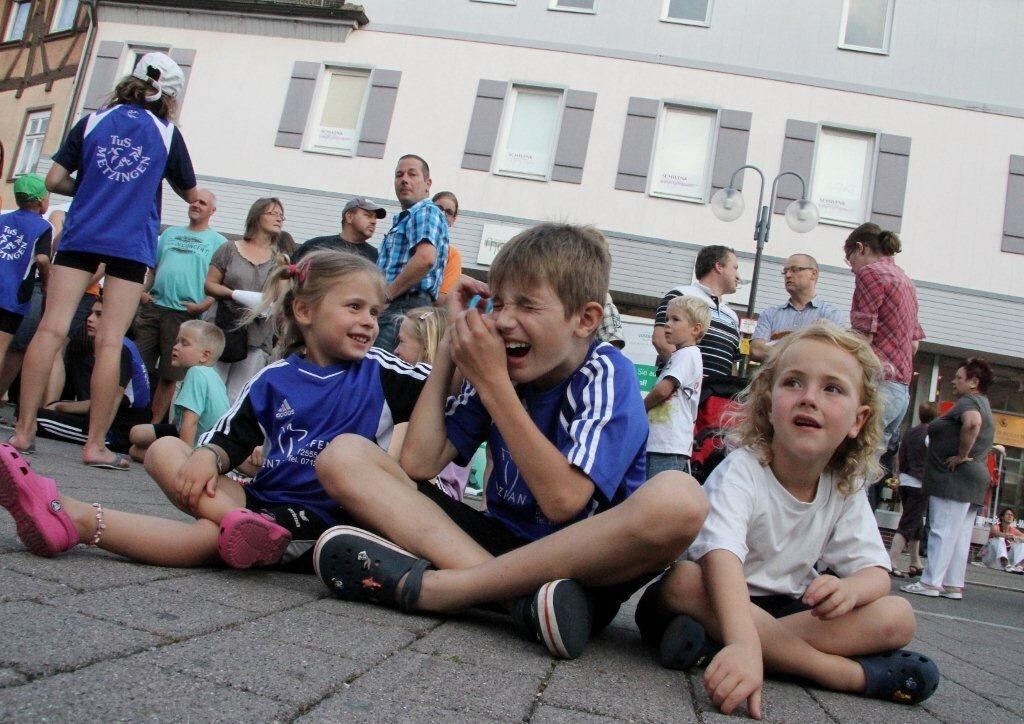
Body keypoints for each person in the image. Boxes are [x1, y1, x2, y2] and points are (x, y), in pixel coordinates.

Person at [312, 223, 708, 661]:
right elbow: (420, 463)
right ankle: (520, 604)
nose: (502, 319)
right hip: (509, 554)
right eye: (498, 302)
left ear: (585, 319)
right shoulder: (500, 369)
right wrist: (450, 345)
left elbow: (565, 501)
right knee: (343, 455)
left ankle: (447, 589)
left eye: (527, 304)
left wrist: (493, 383)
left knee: (681, 498)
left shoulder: (605, 371)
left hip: (586, 563)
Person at [0, 250, 431, 575]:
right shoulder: (274, 377)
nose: (370, 322)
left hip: (323, 518)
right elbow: (229, 438)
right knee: (165, 450)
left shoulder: (382, 372)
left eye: (375, 312)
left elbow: (439, 387)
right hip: (259, 500)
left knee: (205, 538)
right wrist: (209, 457)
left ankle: (73, 517)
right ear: (304, 311)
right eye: (354, 307)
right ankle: (241, 529)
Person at [633, 322, 939, 716]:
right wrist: (744, 639)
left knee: (897, 616)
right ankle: (837, 673)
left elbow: (876, 572)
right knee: (682, 581)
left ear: (858, 420)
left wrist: (851, 591)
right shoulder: (744, 468)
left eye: (832, 388)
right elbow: (720, 556)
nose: (809, 398)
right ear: (768, 404)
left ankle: (718, 650)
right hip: (714, 595)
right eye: (793, 383)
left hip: (781, 609)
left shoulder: (842, 488)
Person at [8, 52, 198, 470]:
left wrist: (90, 188)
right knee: (111, 340)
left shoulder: (93, 120)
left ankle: (22, 432)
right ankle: (94, 446)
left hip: (83, 234)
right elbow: (191, 192)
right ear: (170, 97)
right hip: (131, 242)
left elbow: (54, 179)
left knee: (52, 328)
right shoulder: (167, 133)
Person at [903, 358, 996, 600]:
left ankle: (931, 582)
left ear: (974, 382)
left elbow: (972, 423)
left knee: (942, 529)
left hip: (953, 477)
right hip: (972, 478)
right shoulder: (983, 402)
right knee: (960, 534)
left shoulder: (969, 401)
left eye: (958, 378)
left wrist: (961, 455)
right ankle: (953, 584)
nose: (954, 382)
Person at [133, 189, 225, 423]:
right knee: (136, 365)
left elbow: (220, 281)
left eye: (202, 203)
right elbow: (153, 268)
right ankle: (128, 419)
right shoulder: (169, 234)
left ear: (212, 211)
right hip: (154, 307)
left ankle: (152, 426)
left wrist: (203, 304)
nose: (196, 205)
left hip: (184, 314)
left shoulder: (218, 242)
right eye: (193, 201)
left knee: (169, 374)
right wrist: (142, 292)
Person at [34, 297, 151, 456]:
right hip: (114, 423)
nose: (89, 319)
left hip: (116, 431)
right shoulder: (122, 344)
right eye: (91, 313)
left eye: (98, 315)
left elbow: (114, 398)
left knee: (35, 418)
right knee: (46, 410)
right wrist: (59, 405)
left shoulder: (121, 349)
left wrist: (98, 439)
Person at [844, 224, 924, 454]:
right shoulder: (906, 281)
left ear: (860, 248)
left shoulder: (871, 273)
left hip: (878, 386)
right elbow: (914, 345)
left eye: (849, 259)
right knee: (867, 469)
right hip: (901, 393)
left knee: (844, 461)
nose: (852, 268)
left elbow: (862, 336)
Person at [205, 197, 287, 403]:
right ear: (256, 216)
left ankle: (225, 435)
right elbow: (210, 284)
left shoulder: (280, 259)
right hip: (223, 328)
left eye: (281, 215)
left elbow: (281, 299)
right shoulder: (229, 249)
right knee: (210, 390)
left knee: (238, 396)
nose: (279, 218)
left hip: (257, 335)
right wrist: (234, 294)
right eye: (272, 213)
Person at [391, 306, 473, 501]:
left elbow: (395, 459)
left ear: (426, 346)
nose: (394, 351)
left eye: (401, 342)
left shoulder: (450, 401)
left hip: (438, 490)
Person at [375, 155, 449, 352]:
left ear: (427, 183)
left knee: (377, 369)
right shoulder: (406, 218)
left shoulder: (425, 211)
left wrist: (387, 295)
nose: (404, 179)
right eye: (399, 175)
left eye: (412, 174)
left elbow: (425, 258)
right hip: (398, 304)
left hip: (404, 305)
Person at [128, 320, 228, 462]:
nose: (175, 347)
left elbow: (190, 422)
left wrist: (184, 460)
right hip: (207, 440)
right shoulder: (213, 376)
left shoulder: (196, 373)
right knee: (137, 433)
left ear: (204, 356)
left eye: (184, 343)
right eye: (177, 342)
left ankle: (181, 459)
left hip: (199, 445)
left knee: (135, 451)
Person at [644, 296, 709, 477]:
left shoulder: (688, 355)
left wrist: (640, 407)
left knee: (658, 497)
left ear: (696, 329)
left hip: (669, 444)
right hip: (662, 443)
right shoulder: (680, 356)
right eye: (666, 319)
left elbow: (663, 390)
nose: (667, 325)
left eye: (675, 319)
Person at [652, 245, 740, 379]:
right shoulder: (680, 295)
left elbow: (732, 363)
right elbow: (660, 340)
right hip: (682, 394)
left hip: (717, 397)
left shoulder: (732, 316)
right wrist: (691, 378)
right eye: (735, 268)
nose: (738, 276)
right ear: (719, 266)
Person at [0, 175, 52, 391]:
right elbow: (41, 258)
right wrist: (47, 281)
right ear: (41, 201)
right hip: (14, 294)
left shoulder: (3, 219)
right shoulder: (43, 227)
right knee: (2, 346)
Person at [749, 254, 846, 362]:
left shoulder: (831, 314)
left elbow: (834, 353)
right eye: (785, 272)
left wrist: (776, 347)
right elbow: (756, 350)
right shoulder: (770, 314)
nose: (788, 275)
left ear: (813, 274)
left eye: (795, 270)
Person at [887, 402, 938, 578]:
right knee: (909, 522)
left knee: (916, 523)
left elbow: (900, 456)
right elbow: (934, 457)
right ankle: (890, 561)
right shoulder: (931, 434)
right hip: (919, 483)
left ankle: (915, 561)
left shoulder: (910, 432)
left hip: (905, 481)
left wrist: (898, 476)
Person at [293, 196, 385, 264]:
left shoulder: (376, 257)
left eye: (375, 218)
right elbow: (288, 275)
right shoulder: (315, 246)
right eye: (368, 215)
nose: (374, 221)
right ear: (349, 217)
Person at [432, 191, 462, 306]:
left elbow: (442, 298)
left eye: (449, 212)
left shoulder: (452, 255)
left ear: (453, 220)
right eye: (439, 208)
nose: (442, 214)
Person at [979, 507, 1024, 573]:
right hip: (991, 559)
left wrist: (1016, 538)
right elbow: (995, 532)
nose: (1010, 516)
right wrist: (1006, 536)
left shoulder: (1013, 530)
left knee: (1021, 543)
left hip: (1007, 563)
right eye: (1008, 514)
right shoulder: (996, 526)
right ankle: (1005, 564)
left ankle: (1019, 567)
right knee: (999, 539)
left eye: (1012, 515)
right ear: (1002, 517)